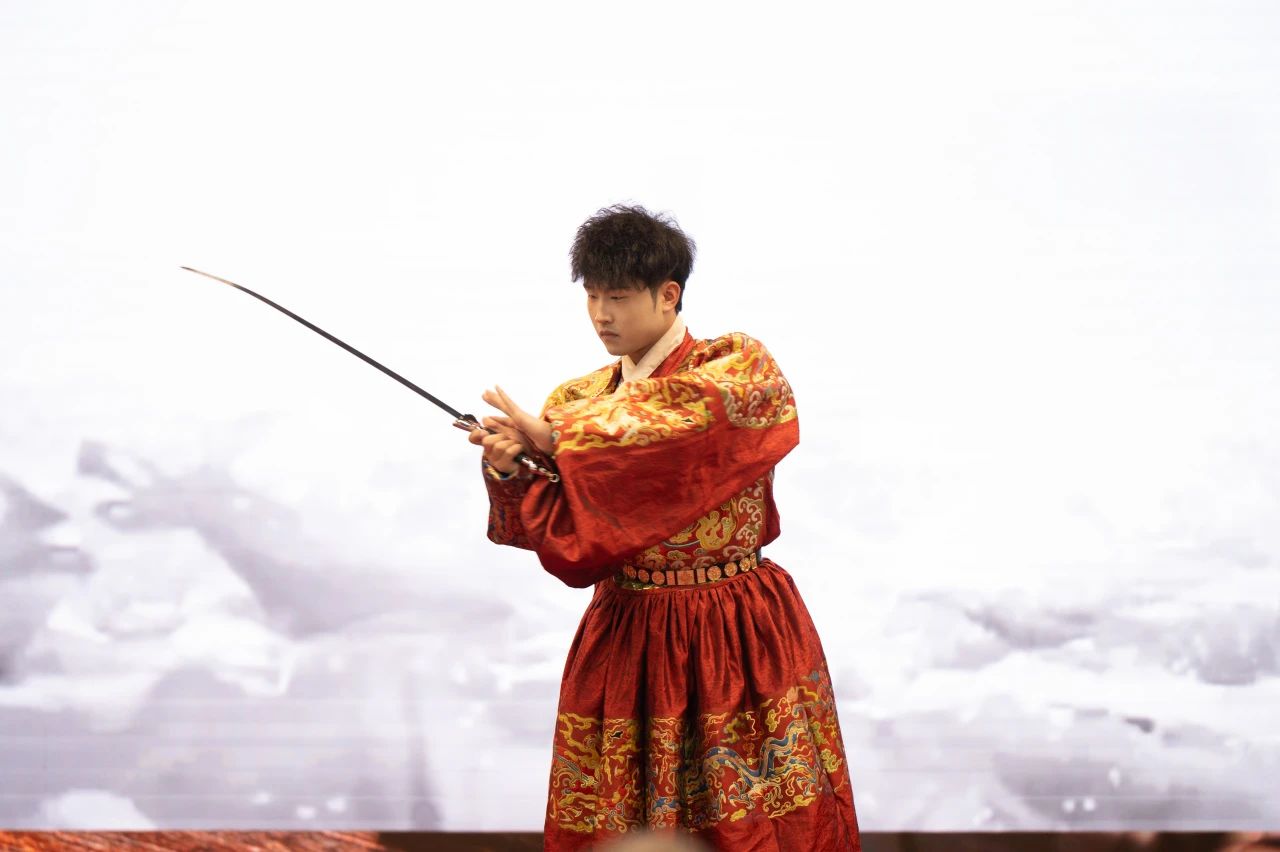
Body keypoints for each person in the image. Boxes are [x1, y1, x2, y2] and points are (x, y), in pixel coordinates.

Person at [469, 205, 860, 851]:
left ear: (668, 294)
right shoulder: (576, 400)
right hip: (629, 631)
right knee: (622, 817)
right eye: (592, 296)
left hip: (736, 627)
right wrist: (515, 468)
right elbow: (569, 548)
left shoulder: (737, 367)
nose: (601, 315)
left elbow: (692, 419)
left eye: (618, 297)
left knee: (756, 821)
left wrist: (564, 440)